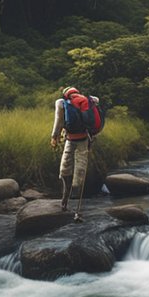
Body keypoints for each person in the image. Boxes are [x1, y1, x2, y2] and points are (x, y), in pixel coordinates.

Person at [50, 86, 100, 222]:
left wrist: (54, 137)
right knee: (81, 169)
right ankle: (78, 207)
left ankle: (64, 201)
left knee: (65, 168)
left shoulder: (61, 102)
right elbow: (95, 117)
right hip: (84, 139)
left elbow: (58, 122)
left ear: (66, 94)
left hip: (70, 139)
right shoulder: (90, 100)